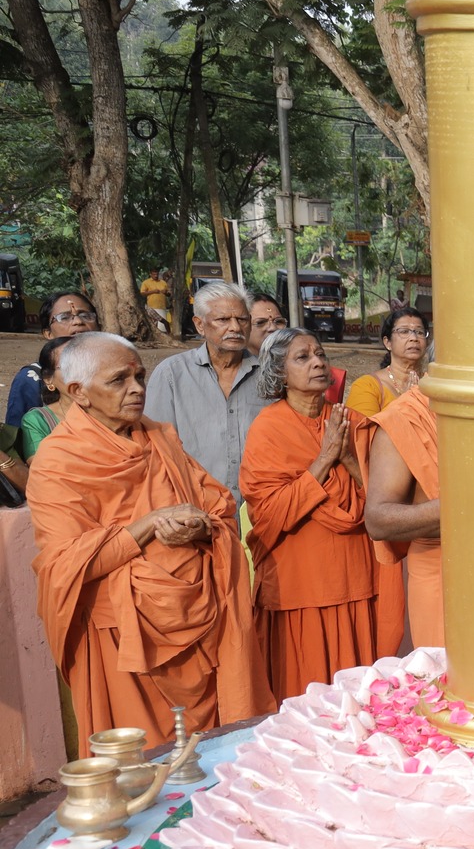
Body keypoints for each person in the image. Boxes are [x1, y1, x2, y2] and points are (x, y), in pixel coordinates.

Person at [26, 332, 269, 744]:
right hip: (124, 636)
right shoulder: (58, 460)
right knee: (142, 759)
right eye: (119, 380)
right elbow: (66, 561)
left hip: (200, 617)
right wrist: (150, 524)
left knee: (213, 751)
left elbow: (217, 507)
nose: (137, 388)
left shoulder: (159, 436)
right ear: (78, 392)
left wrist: (200, 527)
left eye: (139, 376)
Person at [240, 329, 387, 700]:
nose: (318, 362)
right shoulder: (268, 429)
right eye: (302, 357)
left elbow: (385, 496)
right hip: (300, 584)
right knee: (303, 697)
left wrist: (347, 457)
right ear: (279, 372)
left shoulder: (353, 421)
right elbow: (268, 514)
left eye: (320, 354)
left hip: (357, 577)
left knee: (359, 697)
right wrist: (324, 459)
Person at [143, 281, 265, 495]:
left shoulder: (268, 375)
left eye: (242, 319)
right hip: (195, 502)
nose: (235, 328)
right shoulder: (171, 374)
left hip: (259, 502)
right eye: (223, 320)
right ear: (199, 325)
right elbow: (156, 449)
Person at [362, 382, 442, 648]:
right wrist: (465, 509)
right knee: (449, 670)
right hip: (440, 574)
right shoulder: (404, 418)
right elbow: (378, 520)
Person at [7, 293, 97, 427]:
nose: (78, 321)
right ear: (48, 333)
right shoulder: (32, 378)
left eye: (85, 315)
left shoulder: (117, 369)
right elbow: (16, 434)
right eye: (64, 317)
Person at [346, 307, 430, 417]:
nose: (414, 338)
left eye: (419, 332)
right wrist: (406, 402)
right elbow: (364, 428)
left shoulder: (435, 385)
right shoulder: (368, 386)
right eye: (404, 331)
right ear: (388, 343)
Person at [16, 337, 74, 459]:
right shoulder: (38, 420)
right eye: (69, 366)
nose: (83, 372)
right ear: (48, 380)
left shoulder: (111, 411)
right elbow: (41, 465)